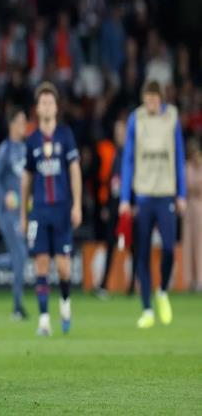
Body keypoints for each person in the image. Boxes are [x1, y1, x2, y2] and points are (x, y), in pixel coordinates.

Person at [120, 80, 186, 329]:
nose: (150, 104)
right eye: (147, 100)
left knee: (169, 248)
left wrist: (181, 194)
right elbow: (128, 159)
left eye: (154, 100)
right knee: (142, 253)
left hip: (166, 193)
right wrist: (125, 198)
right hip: (144, 195)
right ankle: (147, 309)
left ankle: (162, 290)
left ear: (161, 99)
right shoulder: (136, 119)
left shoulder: (172, 117)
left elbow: (178, 156)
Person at [21, 82, 82, 336]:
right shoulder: (31, 140)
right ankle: (44, 320)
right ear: (37, 108)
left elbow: (74, 170)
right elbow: (26, 178)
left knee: (64, 267)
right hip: (40, 210)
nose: (46, 106)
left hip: (62, 210)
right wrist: (24, 214)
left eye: (50, 102)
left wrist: (77, 205)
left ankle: (65, 305)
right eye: (42, 102)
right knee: (41, 265)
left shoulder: (65, 135)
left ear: (56, 107)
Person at [0, 108, 28, 320]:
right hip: (7, 214)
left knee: (20, 256)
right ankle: (17, 307)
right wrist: (5, 196)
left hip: (22, 214)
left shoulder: (25, 148)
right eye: (21, 122)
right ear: (12, 125)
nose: (24, 126)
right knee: (20, 255)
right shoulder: (6, 149)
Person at [95, 118, 137, 298]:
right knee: (110, 244)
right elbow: (110, 182)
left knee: (133, 247)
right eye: (117, 132)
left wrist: (135, 205)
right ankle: (104, 285)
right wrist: (106, 206)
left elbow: (137, 183)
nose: (119, 135)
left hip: (129, 208)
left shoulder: (133, 155)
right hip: (114, 207)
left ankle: (133, 286)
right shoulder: (114, 155)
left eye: (122, 132)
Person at [182, 137, 202, 291]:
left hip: (200, 207)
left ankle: (200, 279)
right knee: (188, 243)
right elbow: (184, 187)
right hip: (188, 209)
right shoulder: (185, 168)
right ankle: (189, 280)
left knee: (200, 243)